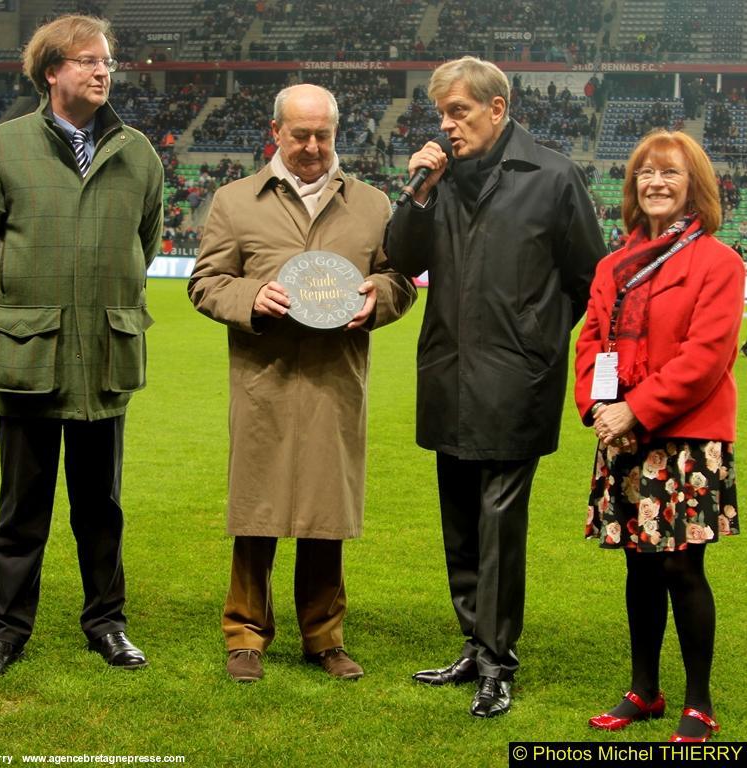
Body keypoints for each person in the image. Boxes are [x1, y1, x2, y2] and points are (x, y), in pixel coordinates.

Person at [386, 56, 605, 717]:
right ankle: (472, 645)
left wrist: (536, 342)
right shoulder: (439, 180)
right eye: (441, 114)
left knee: (498, 525)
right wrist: (418, 192)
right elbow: (402, 257)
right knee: (459, 524)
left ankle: (497, 662)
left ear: (496, 109)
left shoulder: (553, 176)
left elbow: (589, 282)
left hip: (517, 382)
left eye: (458, 111)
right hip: (448, 375)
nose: (447, 125)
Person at [0, 14, 164, 679]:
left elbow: (145, 247)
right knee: (21, 513)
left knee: (101, 509)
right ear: (52, 71)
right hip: (29, 361)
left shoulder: (139, 154)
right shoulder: (0, 147)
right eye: (87, 60)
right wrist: (20, 312)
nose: (103, 71)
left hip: (103, 359)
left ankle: (107, 624)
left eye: (108, 62)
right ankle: (6, 631)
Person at [188, 83, 416, 683]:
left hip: (335, 379)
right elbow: (205, 282)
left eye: (323, 135)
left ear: (336, 134)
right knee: (255, 510)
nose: (313, 147)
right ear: (276, 133)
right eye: (300, 135)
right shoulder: (235, 202)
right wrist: (249, 297)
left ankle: (324, 636)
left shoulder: (371, 205)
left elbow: (400, 281)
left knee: (325, 513)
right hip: (262, 378)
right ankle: (244, 635)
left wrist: (379, 301)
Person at [575, 130, 743, 742]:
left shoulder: (720, 263)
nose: (655, 182)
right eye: (644, 172)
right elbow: (592, 340)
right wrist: (599, 407)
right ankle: (643, 690)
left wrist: (636, 410)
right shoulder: (613, 264)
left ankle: (698, 702)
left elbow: (706, 357)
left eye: (669, 173)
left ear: (695, 185)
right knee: (640, 569)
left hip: (686, 437)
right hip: (623, 435)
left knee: (681, 569)